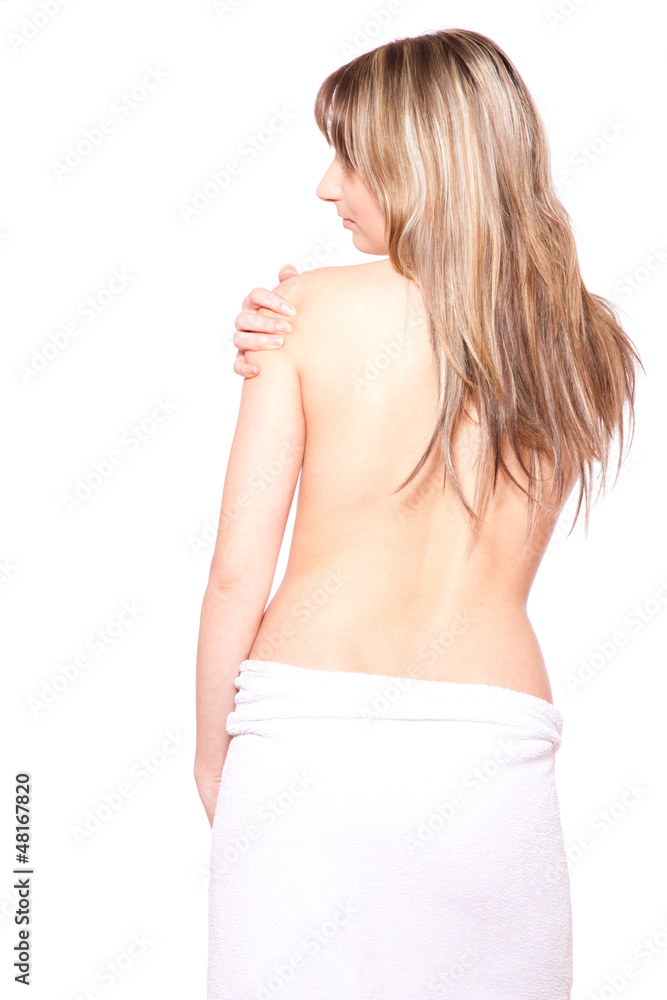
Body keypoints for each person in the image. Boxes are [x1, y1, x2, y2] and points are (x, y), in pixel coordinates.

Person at [196, 28, 642, 1000]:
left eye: (351, 158)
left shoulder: (301, 313)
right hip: (490, 745)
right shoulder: (585, 345)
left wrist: (210, 760)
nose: (326, 186)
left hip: (306, 731)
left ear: (420, 159)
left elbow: (236, 572)